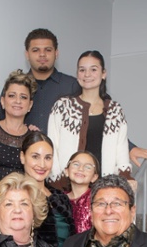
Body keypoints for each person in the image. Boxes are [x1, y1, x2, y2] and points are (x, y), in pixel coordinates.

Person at [0, 29, 147, 167]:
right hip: (24, 163)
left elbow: (103, 120)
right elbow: (1, 127)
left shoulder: (74, 85)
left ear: (56, 53)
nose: (42, 54)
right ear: (27, 54)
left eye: (48, 50)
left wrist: (130, 148)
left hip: (66, 168)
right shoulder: (15, 89)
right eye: (36, 50)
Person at [49, 50, 135, 186]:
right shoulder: (62, 107)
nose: (87, 74)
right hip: (69, 188)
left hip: (104, 188)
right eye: (82, 70)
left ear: (103, 73)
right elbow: (53, 146)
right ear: (77, 74)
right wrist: (59, 183)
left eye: (93, 69)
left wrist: (125, 177)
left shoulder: (115, 110)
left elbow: (121, 150)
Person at [20, 131, 75, 247]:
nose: (42, 164)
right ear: (22, 157)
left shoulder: (61, 197)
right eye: (35, 157)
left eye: (48, 158)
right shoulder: (16, 196)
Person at [0, 69, 36, 184]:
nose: (17, 101)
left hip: (24, 193)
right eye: (12, 96)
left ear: (30, 105)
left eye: (23, 97)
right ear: (3, 101)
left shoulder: (34, 138)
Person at [64, 150, 100, 233]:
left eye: (88, 167)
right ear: (66, 171)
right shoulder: (59, 199)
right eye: (76, 164)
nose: (80, 169)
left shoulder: (97, 200)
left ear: (94, 177)